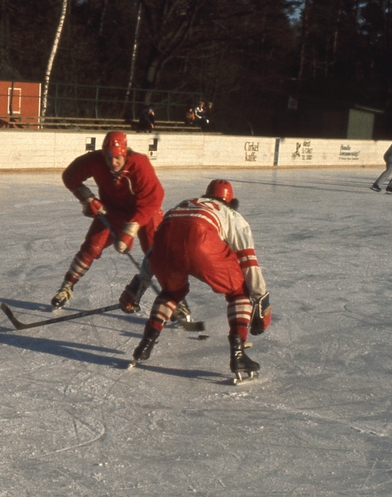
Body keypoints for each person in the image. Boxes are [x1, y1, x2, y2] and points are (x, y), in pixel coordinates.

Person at [130, 179, 271, 383]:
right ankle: (238, 354)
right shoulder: (233, 215)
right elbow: (248, 261)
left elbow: (155, 249)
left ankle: (146, 342)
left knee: (171, 292)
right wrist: (260, 298)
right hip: (201, 242)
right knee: (238, 292)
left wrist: (139, 284)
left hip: (165, 245)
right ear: (230, 202)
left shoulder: (184, 204)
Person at [51, 130, 165, 314]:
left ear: (125, 153)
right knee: (91, 247)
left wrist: (129, 231)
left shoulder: (140, 164)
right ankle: (66, 287)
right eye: (108, 158)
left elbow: (153, 199)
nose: (113, 163)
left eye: (118, 158)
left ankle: (173, 298)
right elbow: (70, 176)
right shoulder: (95, 160)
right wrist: (87, 198)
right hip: (113, 210)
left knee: (156, 253)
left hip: (145, 212)